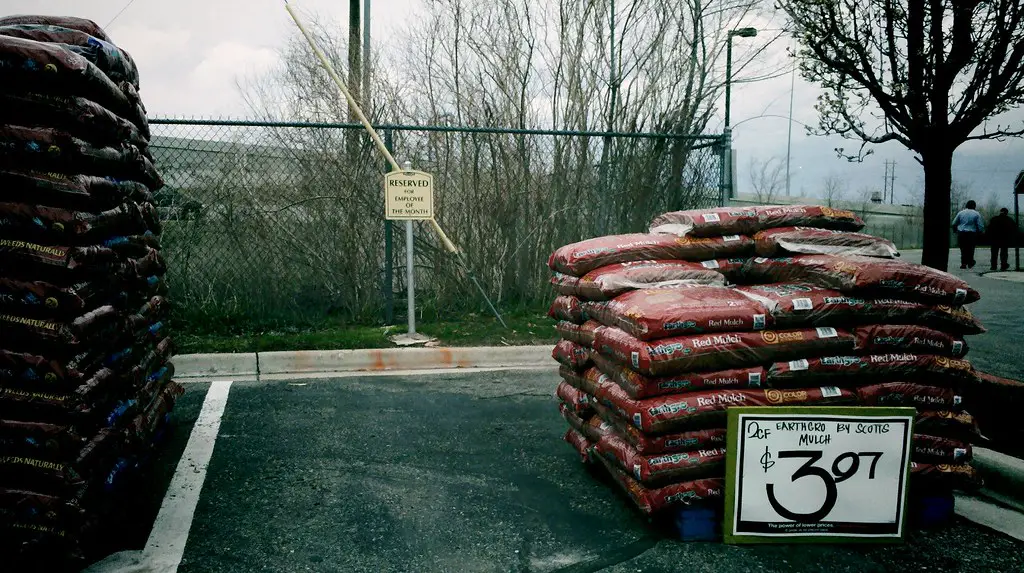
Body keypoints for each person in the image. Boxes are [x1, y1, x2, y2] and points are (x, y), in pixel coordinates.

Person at [951, 200, 985, 269]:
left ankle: (963, 263)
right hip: (971, 234)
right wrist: (980, 232)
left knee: (963, 249)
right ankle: (970, 262)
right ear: (974, 206)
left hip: (961, 233)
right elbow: (980, 225)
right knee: (971, 248)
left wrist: (955, 230)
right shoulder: (976, 214)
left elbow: (954, 223)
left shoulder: (961, 213)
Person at [988, 207, 1016, 271]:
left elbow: (989, 229)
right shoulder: (1009, 220)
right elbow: (1014, 230)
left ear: (1000, 212)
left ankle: (993, 266)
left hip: (994, 239)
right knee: (1004, 253)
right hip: (1004, 239)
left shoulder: (994, 219)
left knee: (994, 253)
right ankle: (1003, 265)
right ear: (1006, 213)